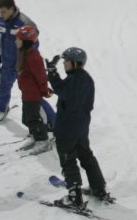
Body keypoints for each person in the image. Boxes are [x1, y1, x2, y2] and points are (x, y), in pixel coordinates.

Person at [47, 46, 110, 209]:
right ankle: (98, 187)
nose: (64, 64)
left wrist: (52, 73)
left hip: (68, 129)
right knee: (86, 157)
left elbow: (61, 90)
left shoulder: (74, 79)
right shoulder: (86, 79)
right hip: (81, 128)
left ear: (76, 63)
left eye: (66, 61)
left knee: (68, 161)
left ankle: (74, 196)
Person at [0, 0, 55, 149]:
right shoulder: (23, 55)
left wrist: (44, 90)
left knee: (33, 117)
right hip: (26, 93)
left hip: (33, 94)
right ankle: (34, 134)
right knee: (27, 118)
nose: (15, 41)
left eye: (18, 39)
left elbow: (40, 76)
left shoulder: (33, 57)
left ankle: (42, 139)